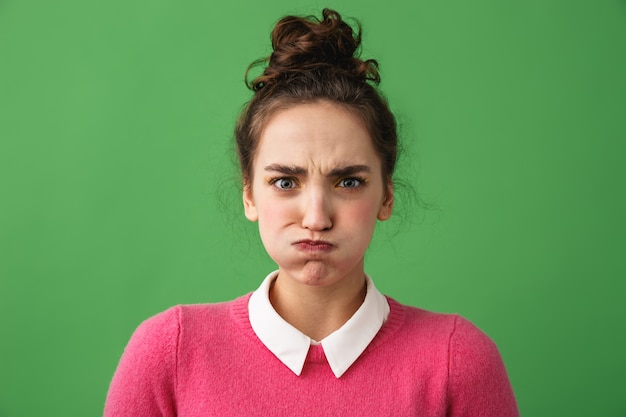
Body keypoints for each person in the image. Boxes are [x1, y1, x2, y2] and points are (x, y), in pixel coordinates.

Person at [104, 8, 519, 416]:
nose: (316, 218)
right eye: (285, 182)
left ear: (387, 196)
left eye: (348, 182)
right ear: (249, 195)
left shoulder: (458, 360)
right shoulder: (170, 351)